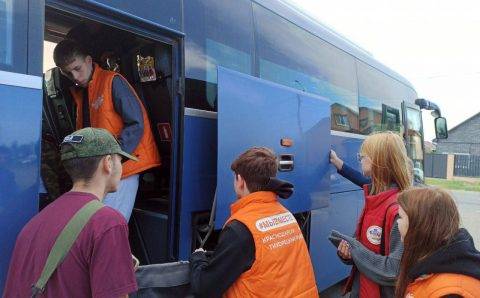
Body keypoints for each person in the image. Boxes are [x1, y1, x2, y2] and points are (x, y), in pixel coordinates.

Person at [3, 128, 138, 297]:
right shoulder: (107, 223)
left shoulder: (34, 224)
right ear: (108, 163)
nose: (122, 166)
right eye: (121, 159)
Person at [53, 39, 161, 220]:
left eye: (77, 69)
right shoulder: (81, 93)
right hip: (101, 170)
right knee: (98, 223)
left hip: (123, 169)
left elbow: (136, 123)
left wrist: (115, 157)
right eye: (68, 73)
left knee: (109, 224)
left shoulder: (113, 82)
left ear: (88, 60)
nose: (76, 77)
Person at [190, 147, 318, 298]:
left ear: (240, 181)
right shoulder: (286, 215)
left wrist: (198, 258)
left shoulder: (241, 229)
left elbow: (204, 288)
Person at [328, 131, 412, 298]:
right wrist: (347, 254)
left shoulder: (398, 211)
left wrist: (355, 250)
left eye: (363, 156)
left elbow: (393, 270)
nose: (360, 159)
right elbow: (367, 252)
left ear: (377, 161)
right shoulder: (374, 199)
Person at [395, 187, 480, 298]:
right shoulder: (430, 264)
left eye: (400, 217)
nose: (397, 222)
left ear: (421, 225)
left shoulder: (450, 292)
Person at [330, 149, 421, 187]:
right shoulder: (381, 187)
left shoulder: (396, 205)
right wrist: (335, 160)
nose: (361, 161)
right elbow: (359, 178)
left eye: (363, 157)